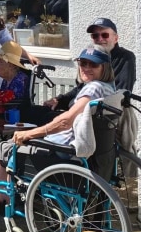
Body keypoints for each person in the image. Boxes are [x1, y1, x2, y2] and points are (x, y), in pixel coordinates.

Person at [0, 44, 115, 216]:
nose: (86, 68)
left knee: (4, 147)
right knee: (17, 142)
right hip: (90, 152)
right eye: (83, 63)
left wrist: (31, 133)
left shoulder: (93, 87)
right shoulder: (109, 88)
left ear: (104, 68)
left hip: (64, 152)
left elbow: (66, 121)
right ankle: (5, 195)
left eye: (93, 65)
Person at [41, 17, 137, 176]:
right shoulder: (92, 58)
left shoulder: (123, 59)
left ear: (116, 38)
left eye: (104, 35)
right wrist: (59, 99)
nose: (99, 39)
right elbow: (79, 89)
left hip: (93, 119)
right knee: (41, 113)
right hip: (81, 113)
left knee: (37, 126)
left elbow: (119, 93)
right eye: (95, 36)